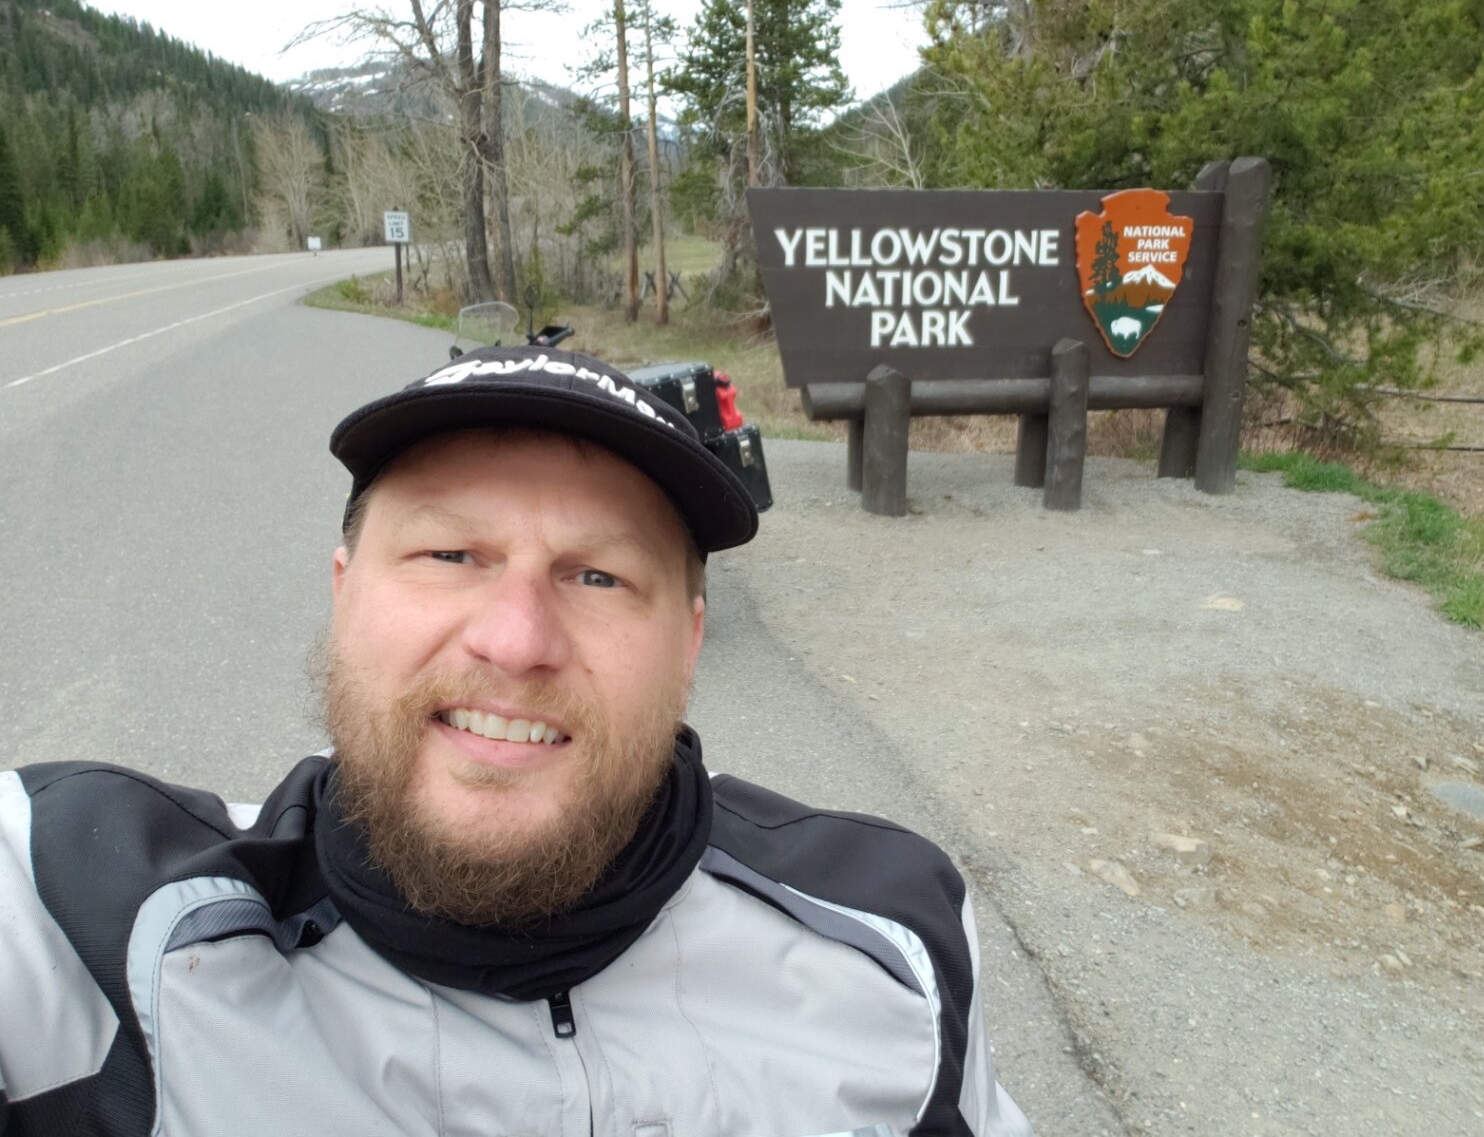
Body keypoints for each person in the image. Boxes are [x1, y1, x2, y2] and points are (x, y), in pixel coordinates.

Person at [0, 347, 1032, 1136]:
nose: (516, 637)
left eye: (598, 575)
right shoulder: (84, 920)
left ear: (688, 643)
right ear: (344, 593)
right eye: (450, 552)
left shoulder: (892, 938)